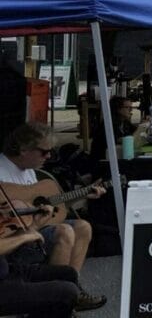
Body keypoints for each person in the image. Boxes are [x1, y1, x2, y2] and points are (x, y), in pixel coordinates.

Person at [0, 123, 107, 310]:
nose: (49, 156)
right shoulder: (2, 172)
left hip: (34, 227)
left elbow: (48, 207)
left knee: (83, 227)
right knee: (64, 231)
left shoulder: (30, 171)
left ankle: (74, 290)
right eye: (44, 152)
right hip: (14, 241)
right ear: (24, 149)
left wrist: (81, 195)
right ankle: (56, 300)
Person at [0, 224, 80, 317]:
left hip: (8, 270)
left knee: (68, 273)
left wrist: (35, 223)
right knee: (67, 292)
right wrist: (24, 237)